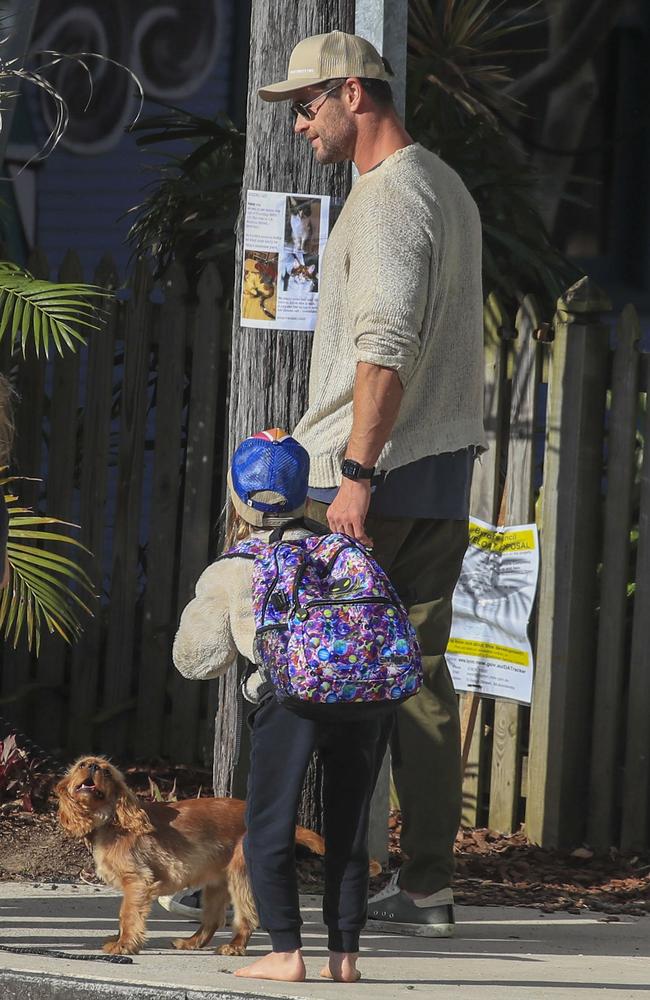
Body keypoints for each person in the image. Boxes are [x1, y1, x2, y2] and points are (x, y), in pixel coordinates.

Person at [257, 30, 487, 936]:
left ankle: (264, 881)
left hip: (371, 484)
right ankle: (428, 886)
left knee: (298, 675)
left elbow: (385, 346)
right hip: (435, 474)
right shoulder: (447, 187)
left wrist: (350, 470)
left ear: (356, 93)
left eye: (307, 105)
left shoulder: (388, 199)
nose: (300, 125)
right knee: (421, 685)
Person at [172, 428, 392, 983]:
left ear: (238, 497)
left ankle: (286, 952)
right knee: (349, 825)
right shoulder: (340, 548)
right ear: (304, 495)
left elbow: (195, 661)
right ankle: (344, 957)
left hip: (287, 703)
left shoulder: (233, 568)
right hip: (360, 699)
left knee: (268, 824)